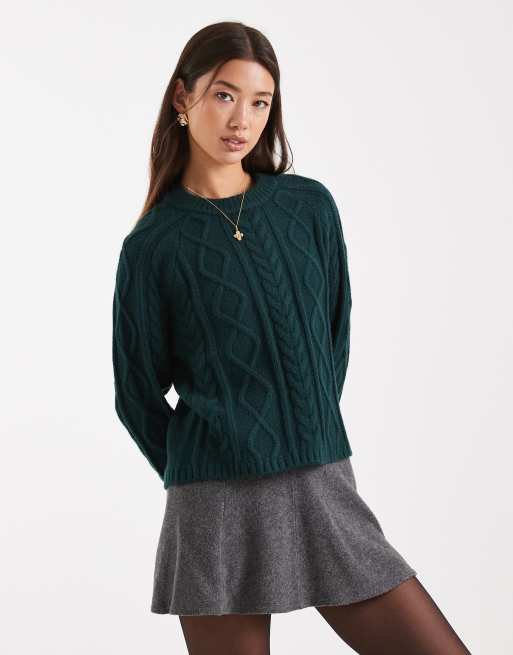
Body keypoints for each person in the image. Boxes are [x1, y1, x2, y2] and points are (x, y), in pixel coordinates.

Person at [112, 20, 471, 655]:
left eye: (260, 102)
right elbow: (135, 394)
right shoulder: (152, 246)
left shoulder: (308, 207)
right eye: (225, 95)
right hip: (214, 506)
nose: (241, 120)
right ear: (182, 97)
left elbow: (332, 339)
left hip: (321, 482)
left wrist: (301, 430)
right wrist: (209, 459)